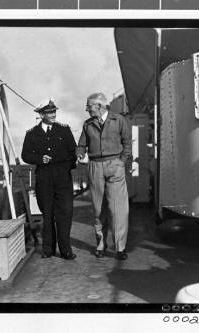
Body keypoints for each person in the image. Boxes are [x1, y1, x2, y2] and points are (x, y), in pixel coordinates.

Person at [76, 92, 131, 260]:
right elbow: (82, 144)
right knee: (99, 209)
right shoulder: (88, 124)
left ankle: (120, 247)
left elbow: (127, 143)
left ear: (100, 106)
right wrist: (80, 152)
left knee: (117, 209)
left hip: (115, 165)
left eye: (89, 106)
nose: (87, 109)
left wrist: (121, 162)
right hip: (95, 167)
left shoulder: (119, 120)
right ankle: (101, 244)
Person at [21, 99, 77, 260]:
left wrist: (64, 167)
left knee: (65, 213)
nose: (53, 115)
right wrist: (40, 158)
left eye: (54, 112)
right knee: (47, 213)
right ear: (41, 114)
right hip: (44, 178)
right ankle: (48, 250)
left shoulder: (64, 130)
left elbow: (72, 153)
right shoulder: (32, 133)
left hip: (62, 178)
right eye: (49, 112)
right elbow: (25, 155)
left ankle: (66, 250)